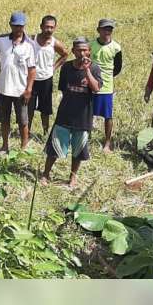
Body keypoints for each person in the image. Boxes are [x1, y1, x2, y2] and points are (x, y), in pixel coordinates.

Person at [40, 38, 102, 189]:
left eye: (84, 50)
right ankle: (46, 173)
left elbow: (96, 88)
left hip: (83, 115)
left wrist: (87, 71)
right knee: (54, 146)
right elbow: (63, 89)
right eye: (78, 50)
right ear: (73, 51)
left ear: (89, 51)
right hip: (65, 113)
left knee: (78, 149)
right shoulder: (67, 67)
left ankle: (73, 177)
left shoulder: (94, 68)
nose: (82, 53)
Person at [0, 11, 36, 151]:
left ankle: (24, 146)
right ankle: (5, 145)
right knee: (4, 120)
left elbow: (32, 70)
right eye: (15, 25)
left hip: (20, 90)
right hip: (3, 88)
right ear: (10, 25)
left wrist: (29, 89)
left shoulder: (29, 45)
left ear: (24, 26)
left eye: (21, 26)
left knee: (23, 121)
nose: (18, 29)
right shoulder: (1, 41)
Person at [28, 15, 69, 135]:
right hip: (31, 79)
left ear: (55, 28)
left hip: (46, 79)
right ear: (41, 26)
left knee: (45, 109)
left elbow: (65, 55)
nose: (49, 30)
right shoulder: (32, 40)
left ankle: (45, 133)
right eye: (46, 27)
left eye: (51, 27)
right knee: (29, 107)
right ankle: (26, 132)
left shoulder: (55, 43)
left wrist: (53, 68)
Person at [89, 19, 123, 153]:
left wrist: (106, 77)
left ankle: (107, 143)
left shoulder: (116, 48)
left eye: (109, 30)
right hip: (91, 84)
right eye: (104, 29)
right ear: (98, 30)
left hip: (107, 86)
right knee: (88, 113)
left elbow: (118, 67)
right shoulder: (91, 45)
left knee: (108, 115)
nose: (107, 32)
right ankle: (86, 137)